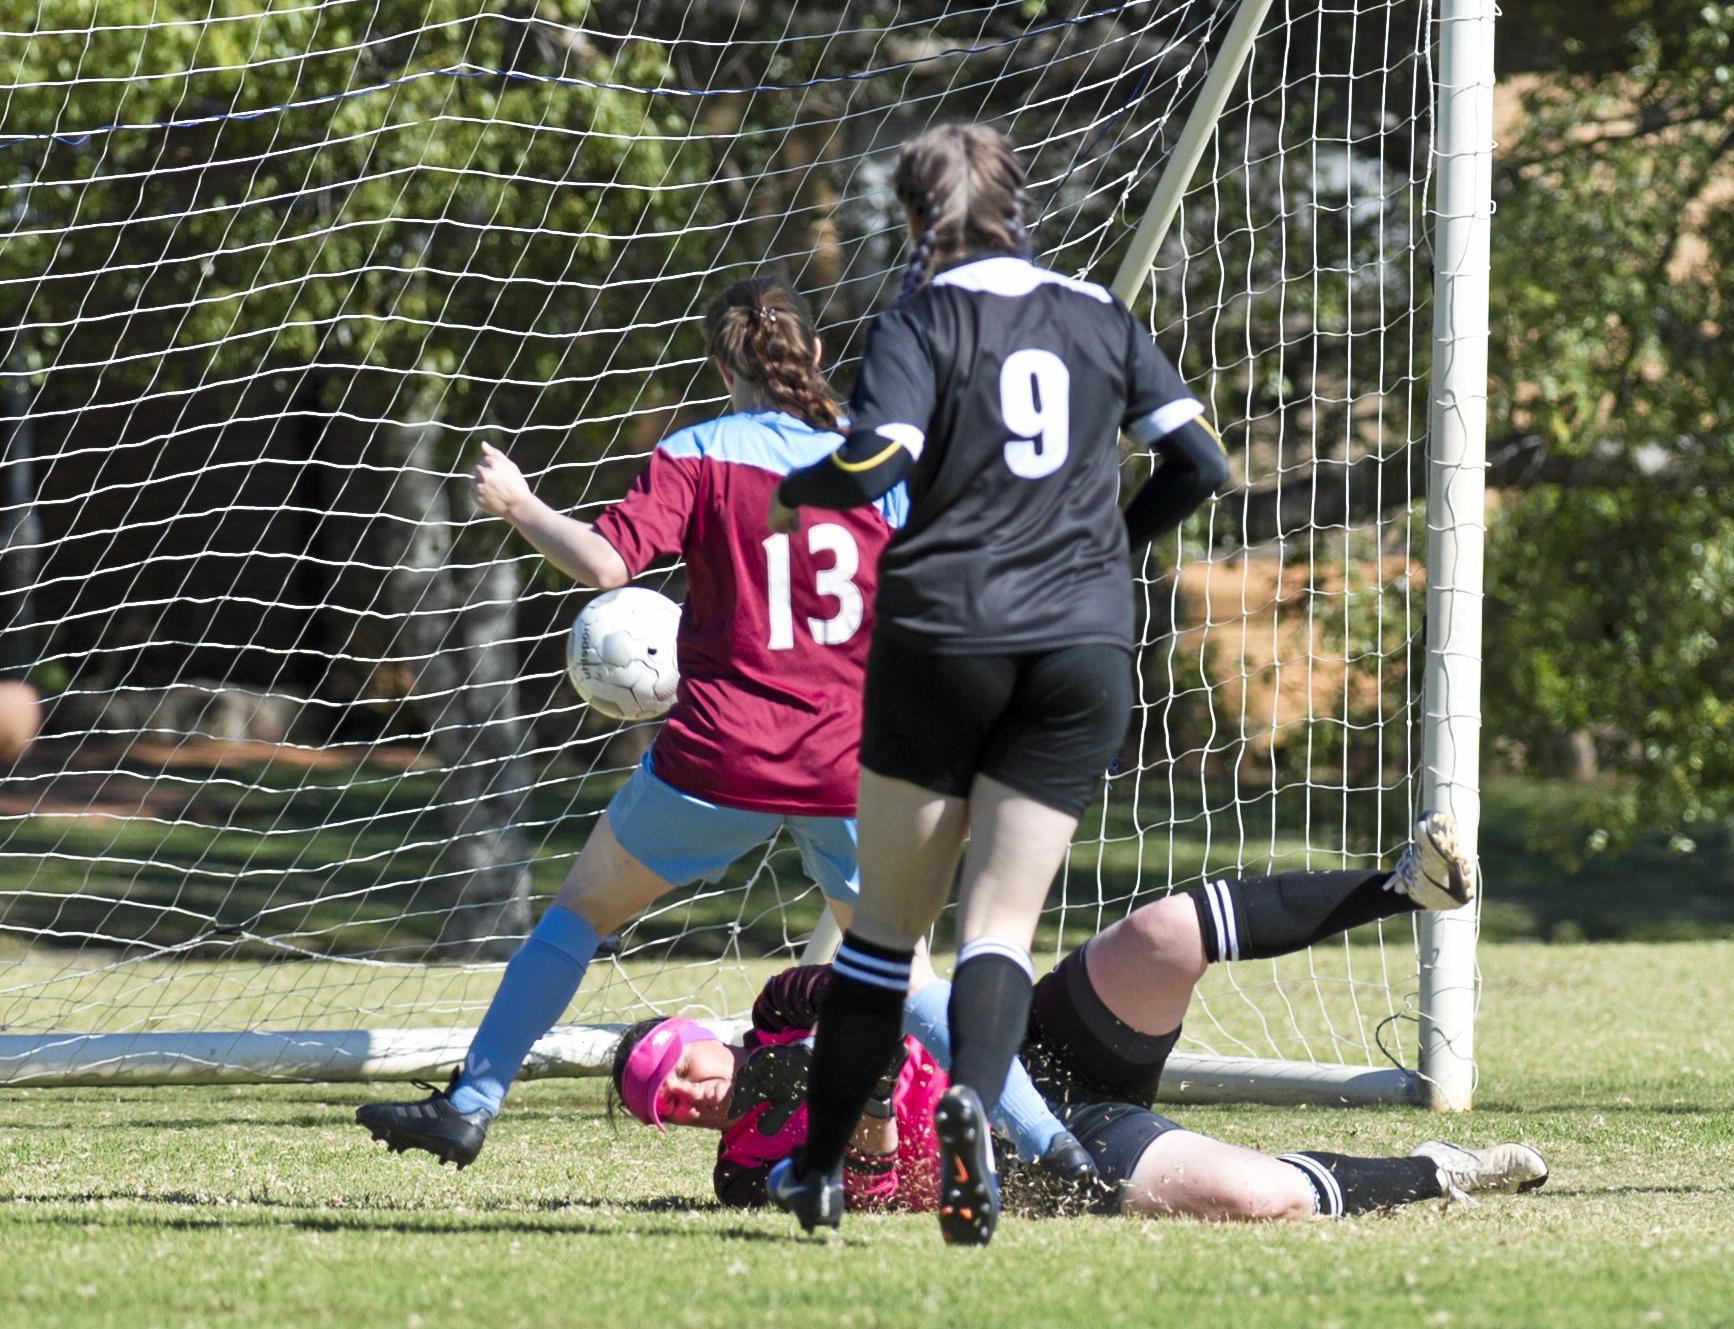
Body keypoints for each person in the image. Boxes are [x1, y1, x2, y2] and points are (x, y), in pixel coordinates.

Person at [354, 275, 1088, 1183]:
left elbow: (607, 561)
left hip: (720, 756)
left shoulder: (696, 454)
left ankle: (470, 1106)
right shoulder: (876, 457)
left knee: (579, 912)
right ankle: (1054, 1145)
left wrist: (519, 504)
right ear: (814, 353)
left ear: (718, 364)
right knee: (910, 976)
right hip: (848, 763)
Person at [763, 123, 1230, 1243]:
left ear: (920, 219)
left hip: (948, 637)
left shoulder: (921, 316)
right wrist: (1109, 549)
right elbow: (1201, 463)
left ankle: (819, 1173)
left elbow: (878, 460)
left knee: (881, 936)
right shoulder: (1097, 314)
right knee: (1000, 932)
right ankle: (974, 1101)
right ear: (1021, 207)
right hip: (1081, 647)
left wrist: (799, 495)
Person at [617, 814, 1546, 1222]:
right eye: (668, 1106)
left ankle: (1400, 887)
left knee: (1161, 934)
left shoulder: (780, 1008)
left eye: (677, 1067)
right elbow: (874, 1180)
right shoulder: (742, 1174)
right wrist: (855, 1113)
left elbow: (889, 983)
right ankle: (1437, 1172)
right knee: (1255, 1199)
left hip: (1026, 1044)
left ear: (701, 1034)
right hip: (1047, 1155)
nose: (690, 1094)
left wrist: (828, 1051)